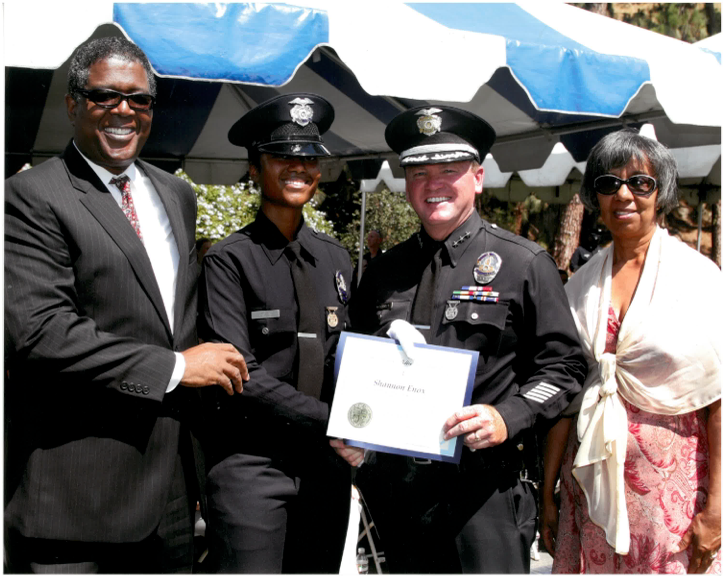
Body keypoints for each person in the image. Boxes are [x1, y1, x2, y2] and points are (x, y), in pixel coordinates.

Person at [3, 37, 248, 573]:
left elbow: (174, 318)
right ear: (72, 104)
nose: (124, 111)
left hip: (173, 497)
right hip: (77, 499)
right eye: (105, 96)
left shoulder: (175, 195)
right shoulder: (30, 197)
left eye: (139, 100)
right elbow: (40, 333)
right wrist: (179, 367)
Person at [351, 105, 587, 573]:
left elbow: (566, 366)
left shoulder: (523, 263)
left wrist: (509, 415)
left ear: (477, 177)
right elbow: (355, 363)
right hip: (400, 495)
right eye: (419, 171)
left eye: (450, 170)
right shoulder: (382, 272)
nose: (433, 183)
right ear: (405, 183)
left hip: (485, 494)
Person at [540, 129, 721, 573]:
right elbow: (567, 397)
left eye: (640, 183)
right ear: (595, 197)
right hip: (587, 487)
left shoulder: (699, 280)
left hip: (671, 501)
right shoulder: (579, 286)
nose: (624, 194)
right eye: (608, 183)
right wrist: (547, 493)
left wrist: (717, 506)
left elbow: (717, 398)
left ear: (661, 193)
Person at [197, 93, 363, 573]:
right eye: (282, 157)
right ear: (254, 168)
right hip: (252, 467)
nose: (299, 168)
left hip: (325, 468)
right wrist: (336, 420)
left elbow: (342, 355)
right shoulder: (229, 260)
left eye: (308, 158)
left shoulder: (334, 257)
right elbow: (240, 372)